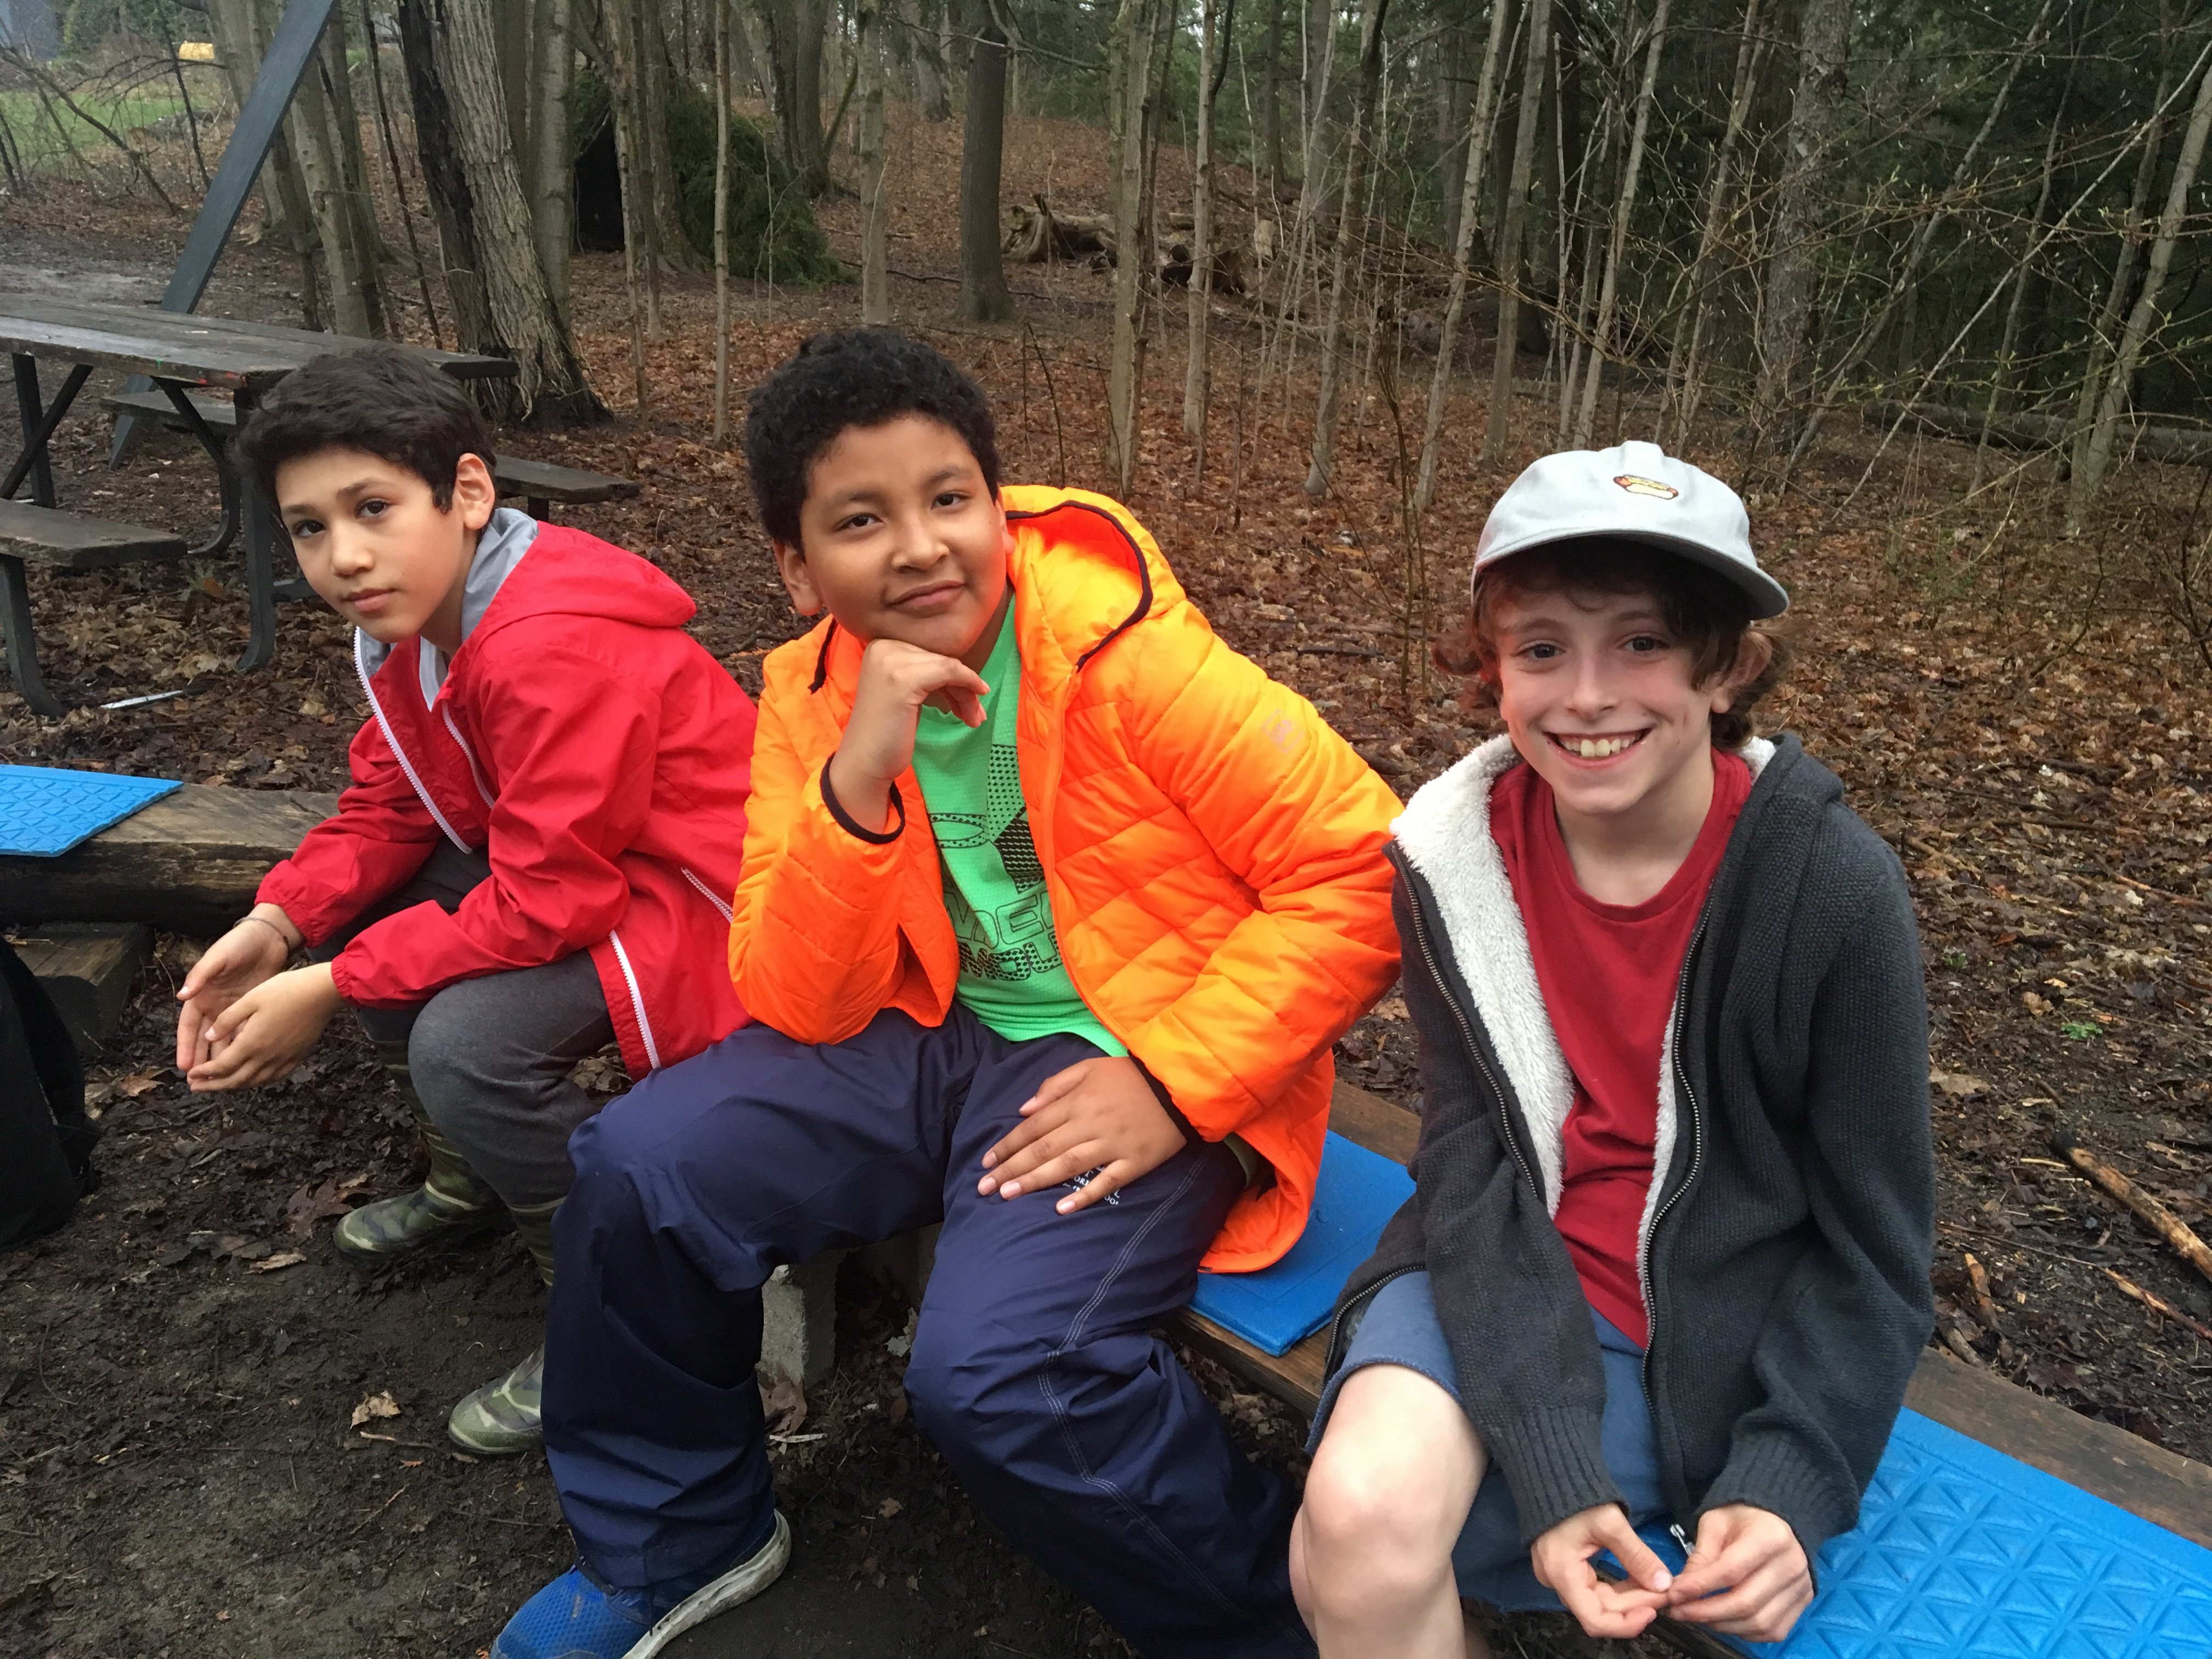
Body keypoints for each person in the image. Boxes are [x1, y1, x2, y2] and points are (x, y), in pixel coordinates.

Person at [490, 330, 1403, 1659]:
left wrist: (1175, 1085)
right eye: (861, 520)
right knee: (640, 1165)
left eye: (948, 498)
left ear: (996, 502)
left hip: (1139, 1051)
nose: (920, 546)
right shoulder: (810, 694)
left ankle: (1284, 1624)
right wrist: (856, 785)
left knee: (1004, 1377)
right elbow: (794, 998)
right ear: (798, 569)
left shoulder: (1125, 658)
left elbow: (1368, 872)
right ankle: (682, 1538)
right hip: (929, 1032)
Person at [1289, 442, 1934, 1657]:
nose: (1587, 696)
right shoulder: (1452, 860)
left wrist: (1790, 1480)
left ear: (1728, 665)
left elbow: (1877, 1243)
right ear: (1493, 672)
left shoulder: (1830, 892)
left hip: (1698, 1320)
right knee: (1360, 1520)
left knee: (1341, 1563)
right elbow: (1472, 1155)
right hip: (1495, 1260)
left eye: (1640, 642)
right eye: (1541, 650)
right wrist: (1545, 1444)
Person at [174, 346, 757, 1455]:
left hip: (709, 902)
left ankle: (605, 1316)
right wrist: (278, 925)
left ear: (469, 494)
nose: (344, 555)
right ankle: (472, 1176)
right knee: (360, 914)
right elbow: (390, 805)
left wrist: (334, 985)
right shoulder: (417, 623)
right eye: (309, 527)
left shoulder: (548, 645)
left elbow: (549, 903)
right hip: (595, 873)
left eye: (373, 508)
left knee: (466, 1045)